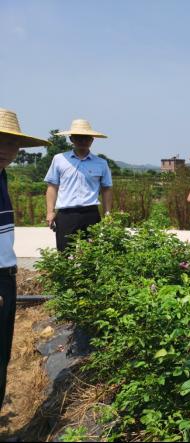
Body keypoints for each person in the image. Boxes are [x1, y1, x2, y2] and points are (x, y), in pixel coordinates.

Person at [0, 108, 49, 411]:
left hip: (6, 275)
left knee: (2, 356)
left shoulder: (2, 176)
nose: (5, 150)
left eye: (11, 144)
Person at [45, 119, 113, 252]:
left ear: (92, 140)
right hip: (66, 214)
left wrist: (107, 213)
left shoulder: (101, 163)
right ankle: (66, 274)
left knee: (92, 255)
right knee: (65, 253)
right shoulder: (59, 159)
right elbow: (52, 186)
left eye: (86, 138)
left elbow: (106, 189)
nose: (82, 141)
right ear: (71, 139)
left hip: (91, 214)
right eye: (78, 137)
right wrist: (50, 211)